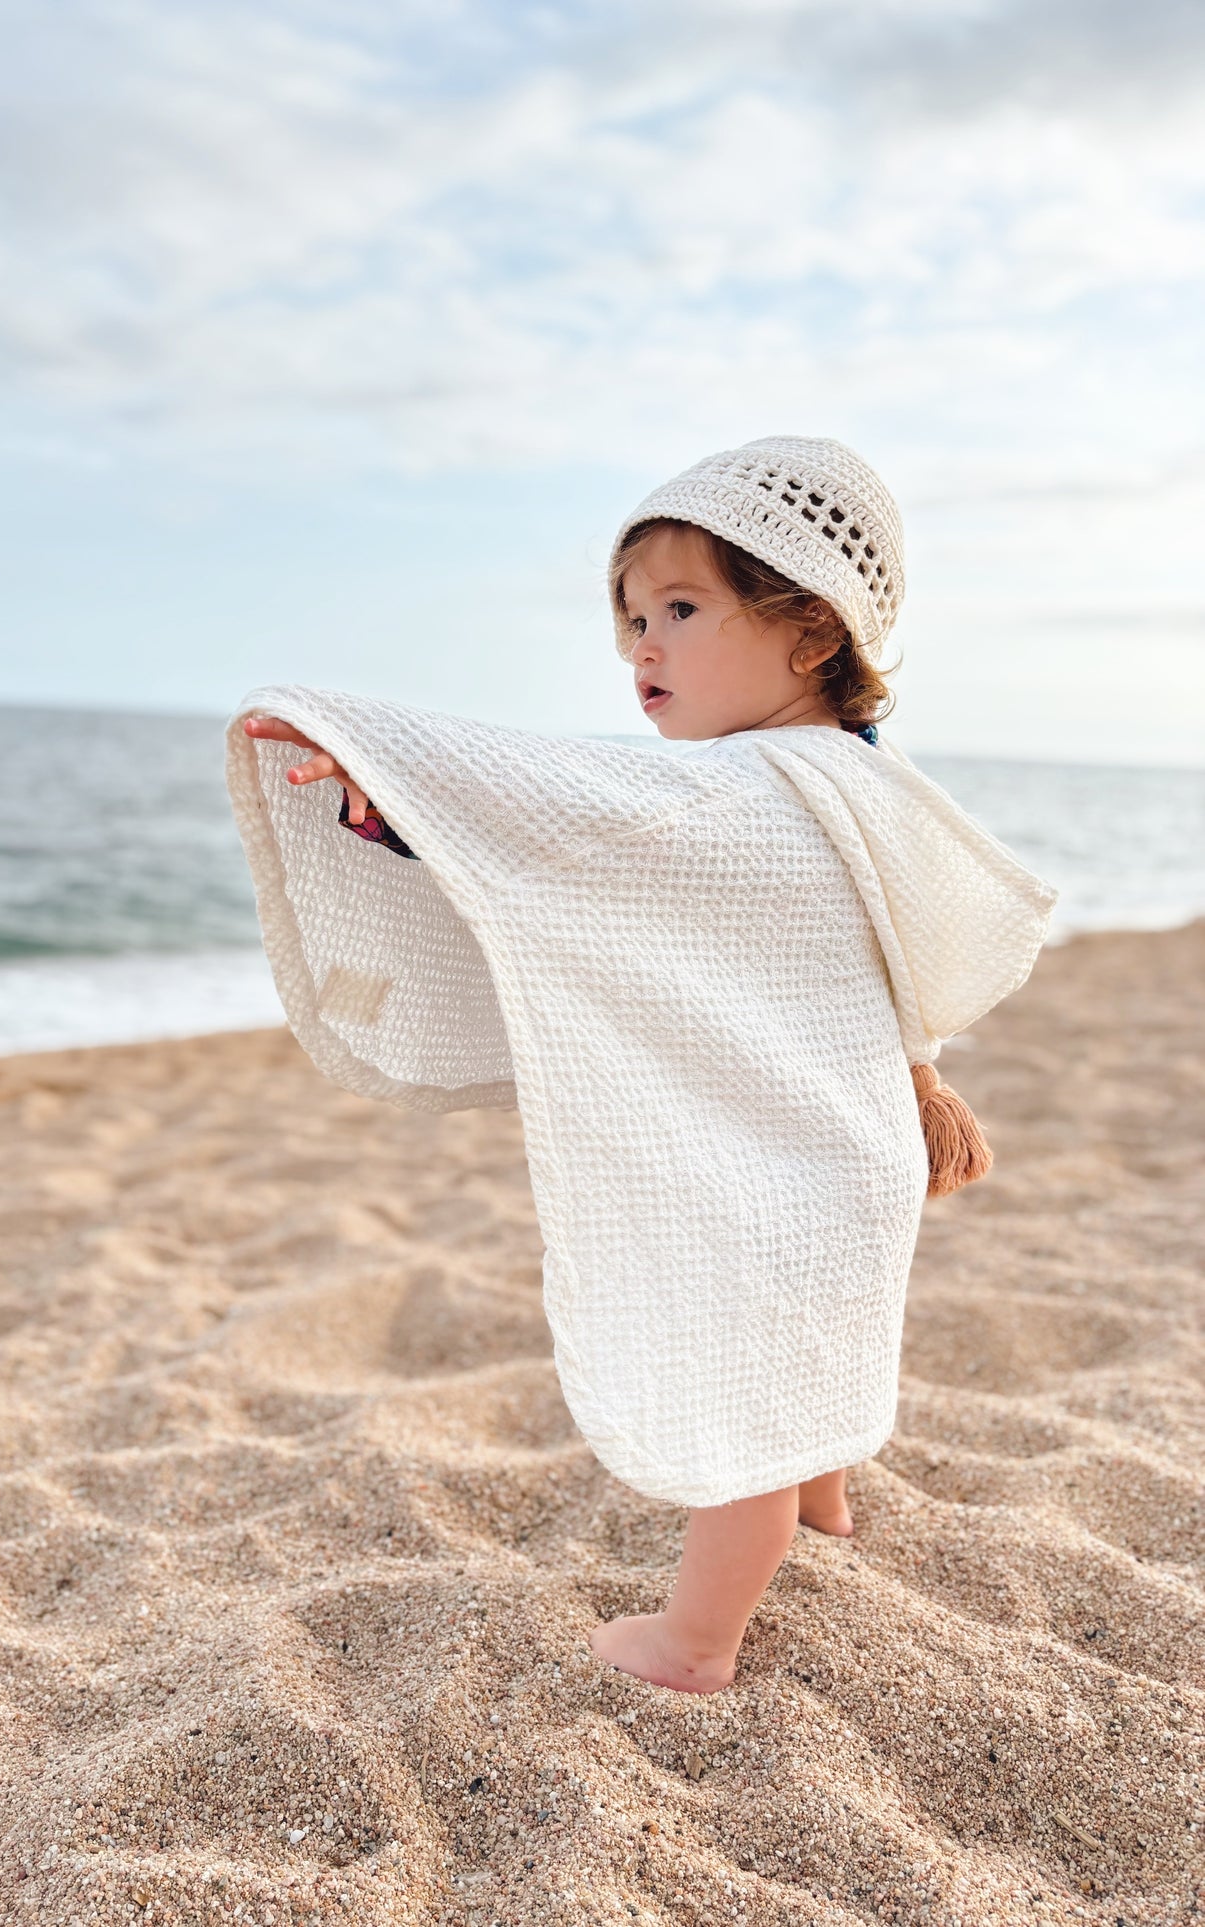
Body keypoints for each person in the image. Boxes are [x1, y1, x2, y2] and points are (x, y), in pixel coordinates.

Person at [232, 436, 1056, 1694]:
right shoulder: (859, 785)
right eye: (627, 620)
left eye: (679, 609)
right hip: (854, 1155)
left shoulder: (735, 792)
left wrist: (385, 787)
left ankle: (692, 1642)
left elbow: (547, 820)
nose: (640, 650)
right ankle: (827, 1508)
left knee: (745, 1421)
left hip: (785, 1174)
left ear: (809, 630)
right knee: (818, 1359)